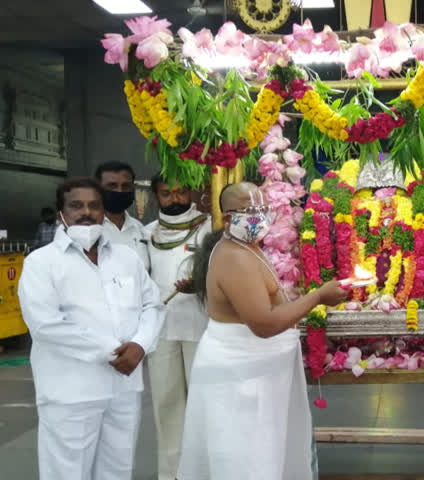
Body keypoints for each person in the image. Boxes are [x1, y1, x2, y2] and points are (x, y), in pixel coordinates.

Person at [176, 182, 348, 480]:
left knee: (267, 457)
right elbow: (264, 324)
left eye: (262, 207)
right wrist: (317, 297)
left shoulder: (247, 248)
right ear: (228, 217)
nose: (259, 215)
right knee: (245, 463)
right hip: (241, 382)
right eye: (248, 209)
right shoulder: (234, 256)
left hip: (258, 378)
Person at [18, 177, 163, 480]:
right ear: (61, 213)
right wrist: (114, 352)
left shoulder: (126, 258)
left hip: (124, 388)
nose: (86, 212)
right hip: (71, 391)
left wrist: (139, 345)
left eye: (93, 206)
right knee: (67, 472)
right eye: (76, 206)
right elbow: (46, 325)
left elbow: (153, 305)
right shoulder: (41, 263)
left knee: (118, 468)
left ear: (102, 211)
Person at [144, 173, 211, 480]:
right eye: (166, 194)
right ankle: (171, 475)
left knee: (205, 407)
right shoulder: (146, 234)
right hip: (160, 331)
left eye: (181, 192)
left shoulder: (210, 227)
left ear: (192, 192)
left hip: (202, 328)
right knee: (167, 406)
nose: (174, 199)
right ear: (156, 196)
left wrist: (199, 284)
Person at [95, 161, 149, 268]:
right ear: (98, 189)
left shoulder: (139, 228)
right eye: (112, 186)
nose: (119, 191)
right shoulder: (90, 230)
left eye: (125, 186)